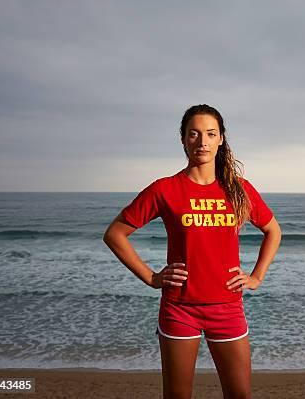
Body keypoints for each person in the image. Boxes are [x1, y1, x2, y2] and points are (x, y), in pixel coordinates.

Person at [103, 104, 282, 399]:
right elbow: (115, 234)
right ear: (183, 139)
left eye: (210, 134)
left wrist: (256, 276)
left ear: (221, 138)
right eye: (194, 134)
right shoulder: (165, 189)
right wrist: (150, 277)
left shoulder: (239, 189)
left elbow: (273, 230)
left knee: (240, 395)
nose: (203, 141)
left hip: (227, 308)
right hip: (179, 308)